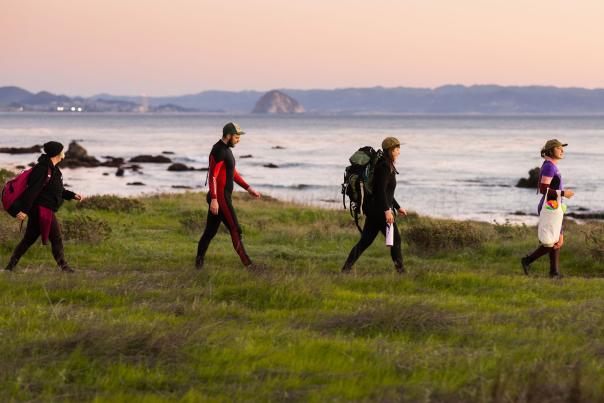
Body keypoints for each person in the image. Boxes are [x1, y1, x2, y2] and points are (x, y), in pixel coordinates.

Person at [5, 141, 83, 272]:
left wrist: (72, 195)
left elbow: (56, 189)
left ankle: (10, 267)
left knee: (28, 239)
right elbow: (32, 191)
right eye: (62, 150)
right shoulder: (42, 169)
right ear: (57, 153)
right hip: (42, 209)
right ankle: (65, 268)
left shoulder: (53, 168)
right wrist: (23, 210)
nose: (64, 152)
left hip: (42, 209)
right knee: (56, 238)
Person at [196, 122, 262, 271]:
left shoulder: (226, 149)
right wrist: (214, 199)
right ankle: (249, 266)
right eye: (236, 137)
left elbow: (232, 172)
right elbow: (213, 176)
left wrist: (248, 188)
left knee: (210, 231)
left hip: (220, 198)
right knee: (235, 228)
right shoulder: (219, 150)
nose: (238, 140)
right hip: (220, 199)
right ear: (228, 136)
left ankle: (198, 264)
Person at [342, 137, 407, 273]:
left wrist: (397, 206)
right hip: (380, 212)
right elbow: (379, 192)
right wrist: (387, 211)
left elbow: (387, 192)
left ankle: (346, 268)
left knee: (365, 241)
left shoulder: (386, 164)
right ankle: (401, 271)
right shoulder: (383, 166)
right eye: (397, 149)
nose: (399, 152)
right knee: (396, 240)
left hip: (374, 211)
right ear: (390, 150)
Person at [521, 139, 575, 278]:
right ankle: (528, 260)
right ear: (551, 150)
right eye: (559, 148)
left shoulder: (551, 165)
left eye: (562, 148)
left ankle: (554, 272)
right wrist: (564, 193)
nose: (562, 150)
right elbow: (544, 188)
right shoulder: (549, 166)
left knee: (556, 239)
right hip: (550, 206)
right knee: (550, 241)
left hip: (555, 205)